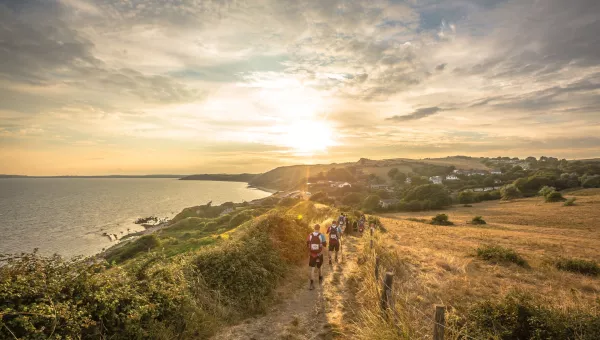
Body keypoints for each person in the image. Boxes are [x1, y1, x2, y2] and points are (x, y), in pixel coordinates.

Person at [307, 224, 327, 290]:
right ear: (319, 228)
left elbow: (308, 244)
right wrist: (322, 251)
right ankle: (320, 279)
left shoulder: (310, 235)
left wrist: (311, 251)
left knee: (312, 268)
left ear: (314, 228)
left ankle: (311, 283)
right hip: (319, 254)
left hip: (312, 254)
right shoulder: (322, 235)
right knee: (320, 266)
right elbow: (325, 245)